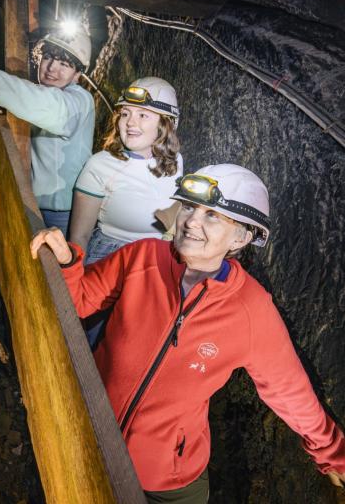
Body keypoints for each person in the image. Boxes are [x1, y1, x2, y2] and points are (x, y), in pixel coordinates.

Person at [30, 164, 345, 502]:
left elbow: (289, 392)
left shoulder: (250, 310)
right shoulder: (144, 257)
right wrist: (65, 261)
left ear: (240, 238)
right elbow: (82, 300)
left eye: (212, 215)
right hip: (88, 432)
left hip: (166, 480)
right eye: (190, 206)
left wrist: (333, 456)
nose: (192, 220)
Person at [0, 27, 94, 236]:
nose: (51, 68)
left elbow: (46, 105)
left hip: (62, 212)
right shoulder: (47, 91)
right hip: (38, 202)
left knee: (58, 267)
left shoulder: (79, 101)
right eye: (48, 57)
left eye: (64, 64)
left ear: (77, 74)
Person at [69, 77, 183, 347]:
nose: (130, 122)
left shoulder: (176, 163)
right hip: (108, 257)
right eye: (126, 113)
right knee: (89, 339)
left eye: (143, 114)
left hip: (156, 262)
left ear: (165, 125)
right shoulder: (100, 165)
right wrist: (73, 283)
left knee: (131, 343)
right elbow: (80, 235)